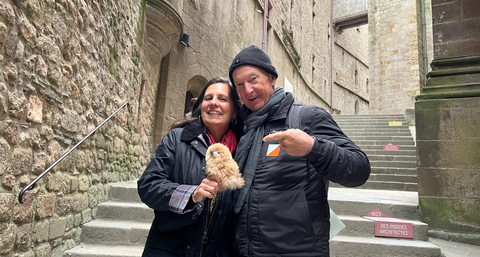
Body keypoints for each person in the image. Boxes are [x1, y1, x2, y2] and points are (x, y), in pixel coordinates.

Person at [229, 45, 371, 257]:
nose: (247, 90)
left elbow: (359, 169)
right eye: (240, 85)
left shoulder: (307, 118)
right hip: (244, 250)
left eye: (254, 79)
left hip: (297, 251)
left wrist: (313, 148)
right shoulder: (243, 127)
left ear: (272, 78)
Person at [137, 77, 243, 257]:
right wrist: (191, 195)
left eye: (222, 99)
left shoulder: (243, 149)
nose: (214, 103)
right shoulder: (177, 139)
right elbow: (148, 186)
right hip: (171, 250)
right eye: (208, 98)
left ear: (234, 111)